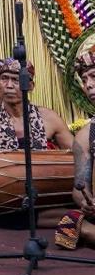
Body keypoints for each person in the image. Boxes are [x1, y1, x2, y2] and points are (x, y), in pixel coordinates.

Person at [0, 58, 73, 229]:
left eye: (16, 79)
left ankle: (2, 220)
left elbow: (77, 154)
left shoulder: (49, 117)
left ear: (30, 86)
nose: (9, 85)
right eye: (4, 78)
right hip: (3, 196)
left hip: (42, 192)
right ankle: (20, 218)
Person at [55, 51, 95, 250]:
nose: (88, 84)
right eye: (85, 79)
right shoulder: (85, 136)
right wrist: (88, 202)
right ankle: (85, 227)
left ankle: (86, 230)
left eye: (93, 76)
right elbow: (80, 188)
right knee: (72, 218)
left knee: (71, 222)